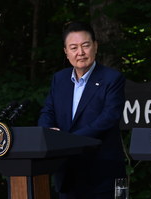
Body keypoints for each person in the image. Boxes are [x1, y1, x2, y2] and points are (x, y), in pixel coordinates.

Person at [38, 21, 125, 199]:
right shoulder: (59, 79)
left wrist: (67, 140)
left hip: (100, 173)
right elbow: (48, 112)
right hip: (66, 173)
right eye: (74, 47)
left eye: (85, 46)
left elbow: (109, 117)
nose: (80, 53)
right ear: (66, 51)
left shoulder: (112, 79)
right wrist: (47, 132)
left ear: (95, 46)